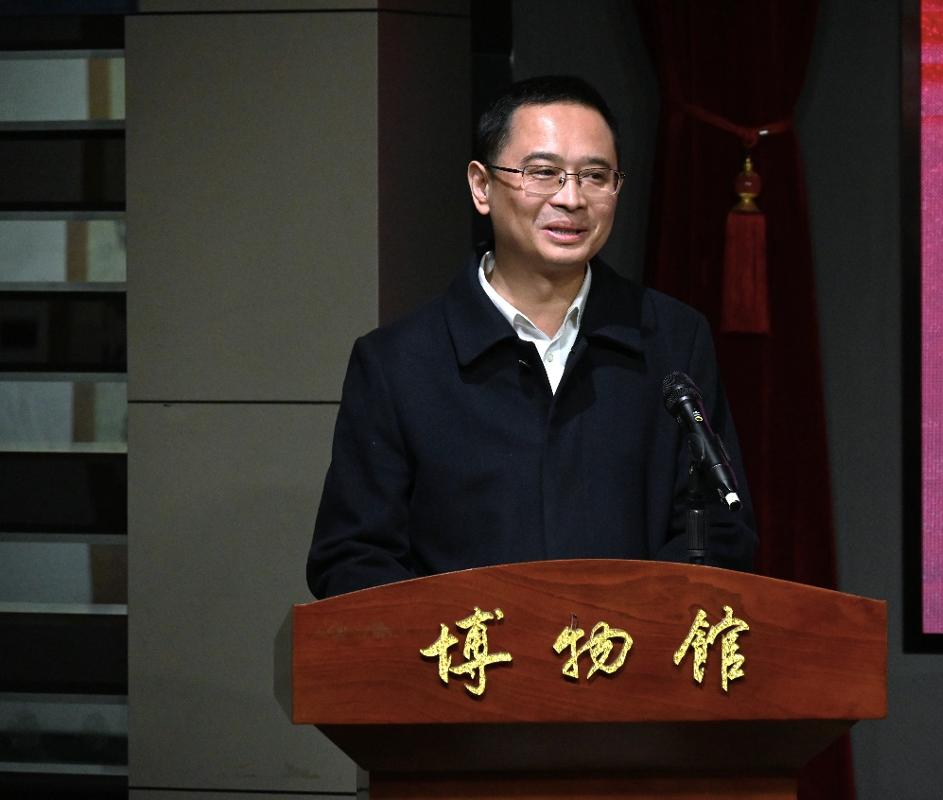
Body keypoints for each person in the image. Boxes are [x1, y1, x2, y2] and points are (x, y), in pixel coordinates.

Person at [306, 75, 755, 599]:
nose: (571, 198)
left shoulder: (672, 339)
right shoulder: (399, 362)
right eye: (543, 173)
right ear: (481, 186)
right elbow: (353, 558)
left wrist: (628, 625)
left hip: (632, 646)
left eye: (595, 176)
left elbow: (721, 528)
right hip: (468, 650)